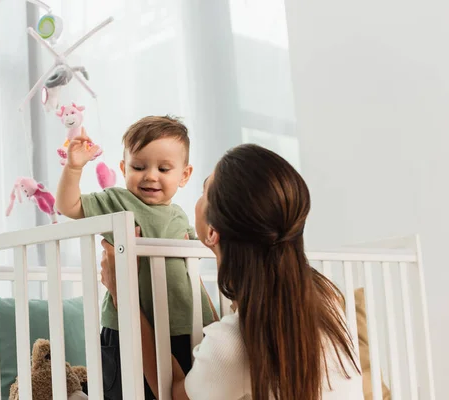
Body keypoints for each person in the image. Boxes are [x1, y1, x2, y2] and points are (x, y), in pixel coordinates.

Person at [99, 143, 364, 399]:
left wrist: (124, 294)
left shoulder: (233, 342)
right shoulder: (325, 297)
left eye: (204, 192)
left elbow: (173, 396)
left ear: (213, 231)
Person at [55, 115, 218, 400]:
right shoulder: (117, 202)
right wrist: (74, 167)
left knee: (172, 390)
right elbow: (69, 206)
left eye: (164, 168)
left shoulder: (180, 215)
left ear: (184, 175)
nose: (150, 176)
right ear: (123, 168)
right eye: (139, 167)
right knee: (125, 391)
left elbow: (198, 260)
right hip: (126, 325)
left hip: (183, 325)